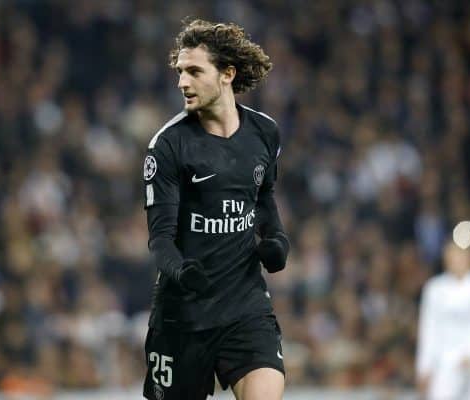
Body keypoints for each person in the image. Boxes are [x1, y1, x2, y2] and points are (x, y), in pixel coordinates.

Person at [141, 19, 289, 400]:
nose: (182, 83)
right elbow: (160, 239)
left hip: (245, 307)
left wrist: (276, 239)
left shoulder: (264, 133)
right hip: (183, 317)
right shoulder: (169, 146)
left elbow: (264, 195)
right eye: (179, 72)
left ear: (227, 73)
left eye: (193, 71)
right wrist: (182, 272)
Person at [416, 240, 470, 400]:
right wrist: (424, 367)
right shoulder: (435, 288)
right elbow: (428, 329)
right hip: (444, 362)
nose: (456, 260)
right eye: (452, 255)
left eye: (460, 255)